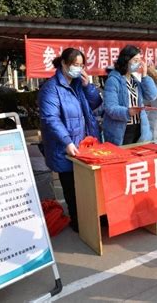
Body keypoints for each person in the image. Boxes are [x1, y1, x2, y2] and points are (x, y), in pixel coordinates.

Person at [38, 48, 102, 232]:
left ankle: (88, 217)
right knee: (71, 187)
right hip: (65, 146)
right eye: (75, 65)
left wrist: (88, 85)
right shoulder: (51, 88)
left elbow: (95, 104)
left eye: (82, 65)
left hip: (83, 143)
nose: (79, 69)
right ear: (64, 64)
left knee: (86, 185)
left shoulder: (77, 84)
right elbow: (50, 118)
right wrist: (67, 142)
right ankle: (77, 222)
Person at [103, 45, 157, 145]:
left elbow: (152, 95)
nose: (139, 64)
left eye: (140, 60)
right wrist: (127, 112)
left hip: (139, 128)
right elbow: (110, 107)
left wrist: (145, 75)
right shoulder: (113, 80)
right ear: (126, 60)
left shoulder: (134, 80)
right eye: (135, 60)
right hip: (121, 131)